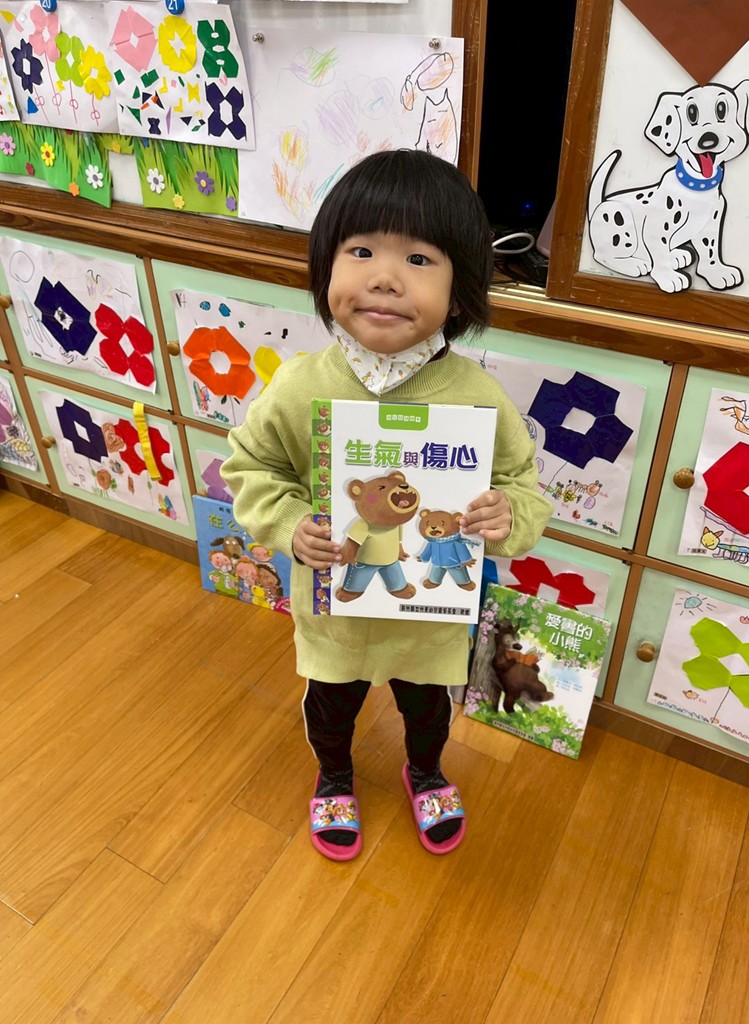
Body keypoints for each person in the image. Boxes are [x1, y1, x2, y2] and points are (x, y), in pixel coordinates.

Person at [222, 149, 552, 862]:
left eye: (419, 259)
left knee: (427, 711)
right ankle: (334, 777)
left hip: (429, 621)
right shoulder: (299, 385)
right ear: (326, 270)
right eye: (361, 250)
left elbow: (521, 486)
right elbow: (250, 465)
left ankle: (425, 771)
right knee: (330, 707)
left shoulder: (477, 396)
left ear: (460, 293)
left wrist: (506, 516)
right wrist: (288, 524)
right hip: (334, 613)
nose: (384, 276)